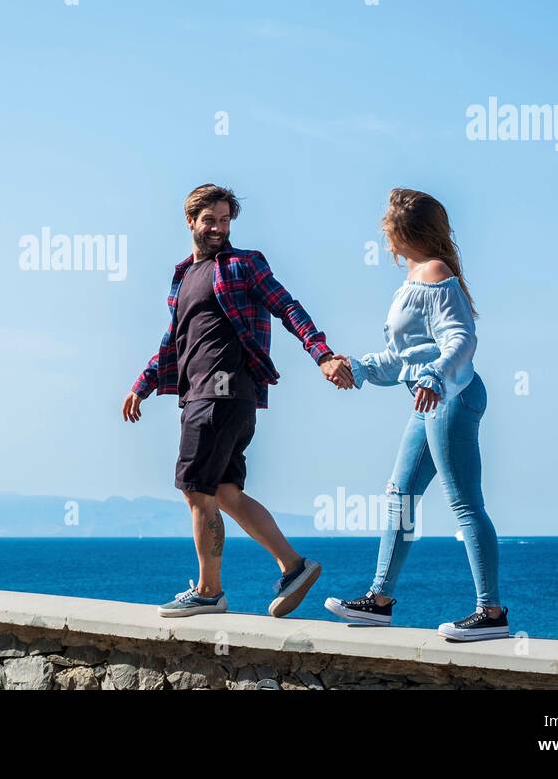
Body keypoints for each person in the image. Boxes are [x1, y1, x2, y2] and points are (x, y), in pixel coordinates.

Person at [121, 183, 353, 618]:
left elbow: (288, 307)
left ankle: (210, 591)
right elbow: (175, 342)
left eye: (225, 220)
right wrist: (142, 384)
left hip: (220, 392)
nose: (218, 228)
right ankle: (294, 565)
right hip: (203, 395)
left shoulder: (243, 265)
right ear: (190, 220)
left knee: (196, 491)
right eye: (210, 220)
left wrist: (321, 354)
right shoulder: (183, 277)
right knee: (224, 491)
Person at [323, 188, 508, 641]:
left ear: (404, 231)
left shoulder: (435, 273)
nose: (383, 233)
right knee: (400, 495)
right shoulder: (413, 280)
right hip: (430, 401)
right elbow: (401, 357)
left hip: (451, 399)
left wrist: (435, 376)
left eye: (387, 224)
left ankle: (491, 614)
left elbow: (462, 338)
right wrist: (360, 368)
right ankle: (379, 601)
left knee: (465, 503)